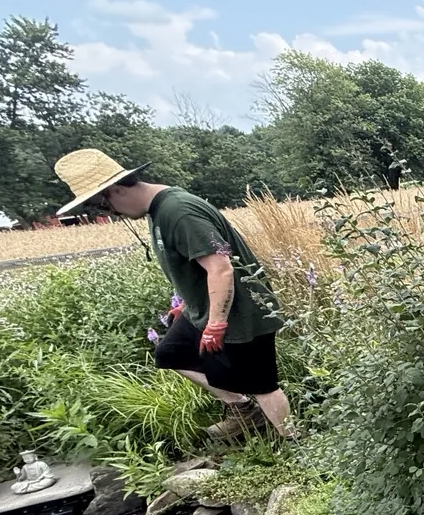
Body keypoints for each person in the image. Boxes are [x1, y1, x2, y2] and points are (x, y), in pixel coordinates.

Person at [53, 148, 293, 440]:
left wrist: (216, 324)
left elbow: (221, 268)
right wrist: (184, 303)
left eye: (102, 206)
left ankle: (293, 443)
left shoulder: (178, 211)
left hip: (243, 310)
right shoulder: (157, 211)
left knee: (262, 384)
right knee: (172, 353)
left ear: (116, 189)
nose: (108, 214)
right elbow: (189, 264)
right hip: (201, 306)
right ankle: (244, 409)